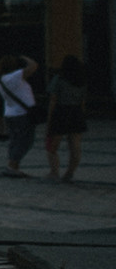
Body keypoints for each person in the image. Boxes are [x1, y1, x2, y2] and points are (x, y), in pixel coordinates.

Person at [0, 55, 41, 178]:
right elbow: (33, 66)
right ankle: (12, 165)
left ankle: (13, 165)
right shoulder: (14, 77)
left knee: (15, 140)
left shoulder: (1, 80)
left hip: (10, 113)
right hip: (21, 114)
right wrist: (24, 58)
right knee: (26, 140)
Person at [46, 55, 88, 183]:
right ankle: (70, 172)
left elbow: (53, 100)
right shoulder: (81, 81)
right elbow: (83, 102)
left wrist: (49, 118)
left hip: (61, 111)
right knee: (75, 146)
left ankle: (54, 172)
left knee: (53, 146)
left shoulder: (59, 79)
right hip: (76, 112)